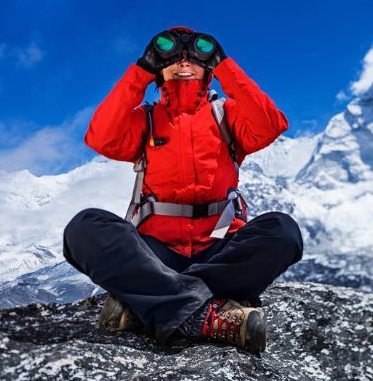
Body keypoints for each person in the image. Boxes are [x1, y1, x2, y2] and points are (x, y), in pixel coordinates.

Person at [62, 26, 304, 352]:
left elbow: (271, 124)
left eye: (195, 57)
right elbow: (101, 138)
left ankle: (151, 302)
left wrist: (225, 65)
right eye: (173, 57)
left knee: (283, 231)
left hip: (220, 249)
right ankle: (207, 312)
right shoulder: (147, 120)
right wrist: (140, 70)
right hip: (156, 253)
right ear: (158, 70)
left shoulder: (227, 116)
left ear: (209, 69)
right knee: (84, 228)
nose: (184, 62)